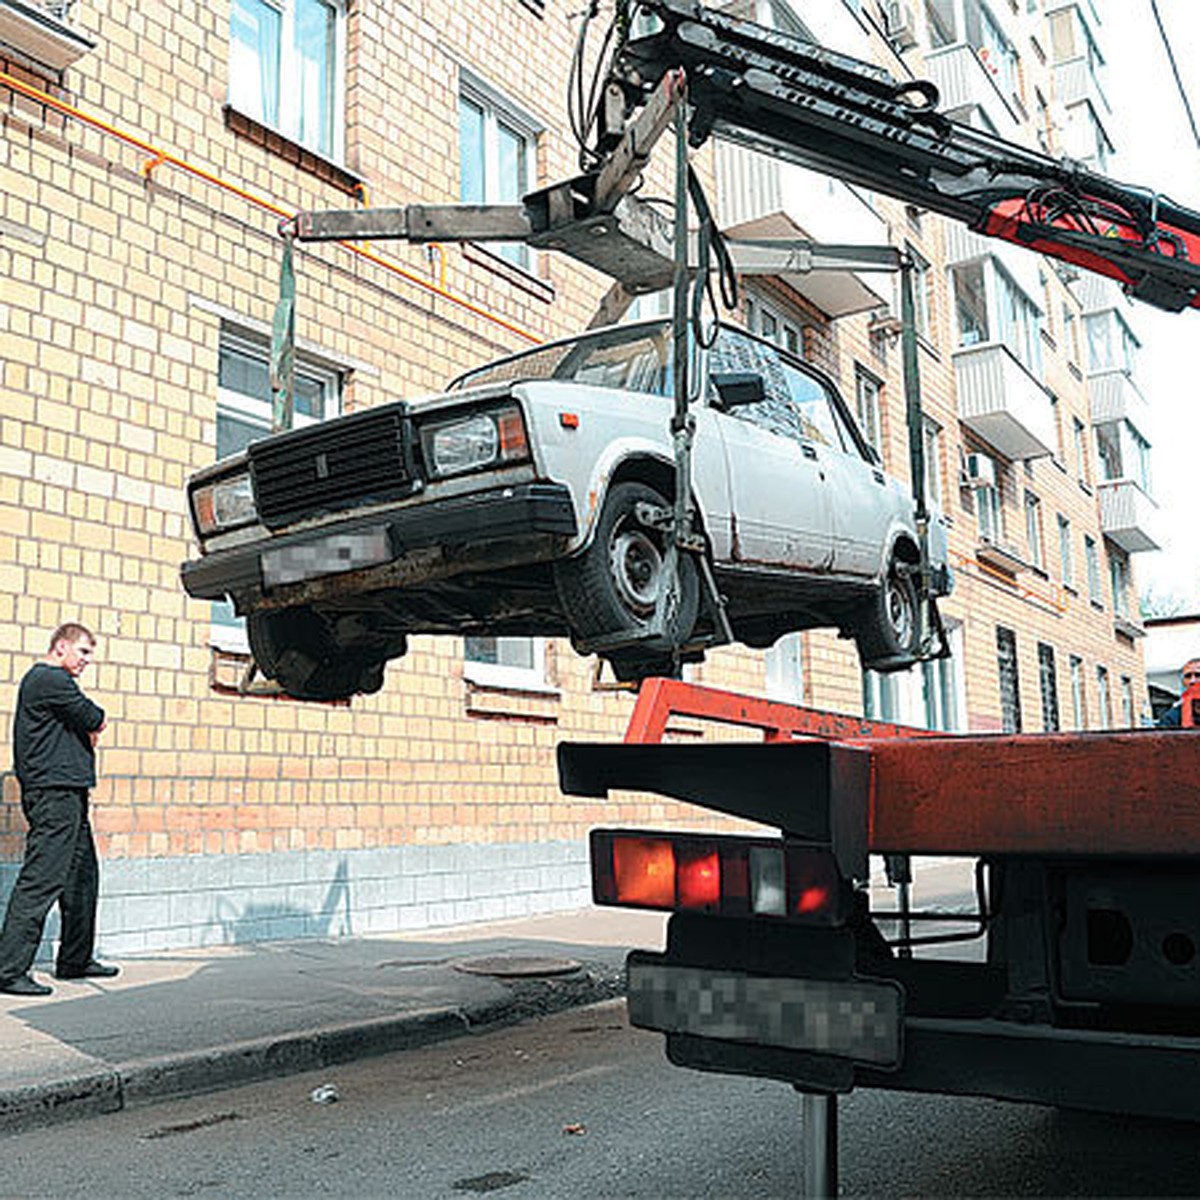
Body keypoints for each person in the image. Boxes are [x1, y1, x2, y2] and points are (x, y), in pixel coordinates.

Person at [0, 623, 118, 996]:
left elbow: (87, 721)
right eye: (83, 652)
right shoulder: (49, 679)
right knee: (43, 878)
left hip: (69, 794)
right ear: (61, 646)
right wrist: (92, 726)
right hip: (54, 797)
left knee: (82, 878)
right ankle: (9, 970)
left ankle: (75, 959)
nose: (86, 661)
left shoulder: (54, 683)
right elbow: (94, 717)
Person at [1158, 656, 1200, 728]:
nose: (1192, 681)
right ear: (1183, 682)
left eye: (1198, 675)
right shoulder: (1171, 717)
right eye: (1188, 676)